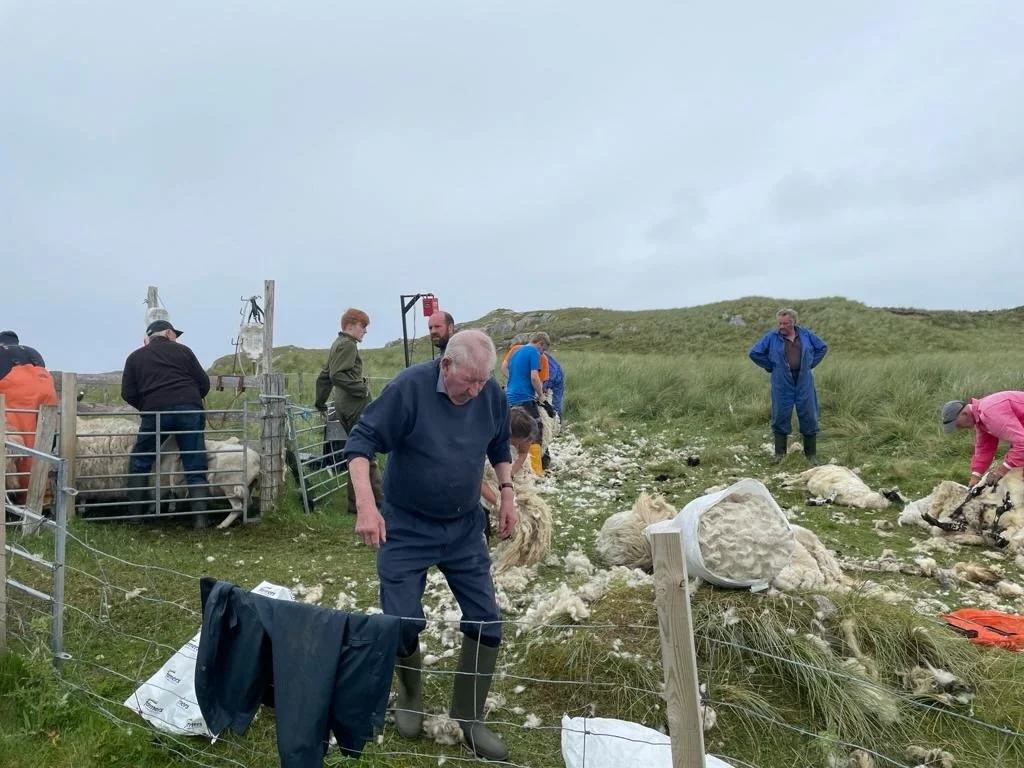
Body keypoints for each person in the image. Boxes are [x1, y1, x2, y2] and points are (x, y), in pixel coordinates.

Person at [343, 330, 517, 762]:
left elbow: (498, 443)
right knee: (402, 619)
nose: (476, 391)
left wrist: (508, 492)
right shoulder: (409, 389)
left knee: (486, 620)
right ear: (446, 366)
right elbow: (361, 443)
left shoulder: (489, 393)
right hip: (406, 526)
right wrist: (367, 506)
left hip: (463, 528)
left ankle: (470, 717)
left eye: (484, 381)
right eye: (468, 381)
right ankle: (410, 695)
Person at [121, 320, 211, 520]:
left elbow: (127, 392)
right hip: (188, 410)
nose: (176, 338)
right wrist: (193, 399)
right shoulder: (184, 352)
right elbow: (204, 383)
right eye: (174, 335)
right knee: (194, 461)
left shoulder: (135, 357)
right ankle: (201, 520)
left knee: (141, 459)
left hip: (155, 412)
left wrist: (147, 406)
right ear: (168, 333)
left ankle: (136, 516)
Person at [749, 308, 828, 464]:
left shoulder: (806, 335)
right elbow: (754, 353)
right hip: (782, 381)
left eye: (785, 323)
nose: (782, 326)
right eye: (780, 323)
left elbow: (822, 348)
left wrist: (810, 363)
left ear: (794, 322)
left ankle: (811, 455)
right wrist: (771, 366)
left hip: (804, 380)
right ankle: (779, 455)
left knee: (809, 415)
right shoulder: (771, 337)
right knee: (780, 415)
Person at [323, 308, 383, 511]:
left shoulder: (337, 344)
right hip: (353, 405)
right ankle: (379, 502)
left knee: (356, 452)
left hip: (342, 404)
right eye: (363, 326)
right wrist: (361, 389)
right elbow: (336, 375)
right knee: (366, 451)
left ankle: (355, 503)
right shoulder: (348, 345)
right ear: (351, 325)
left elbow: (325, 374)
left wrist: (319, 401)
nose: (364, 331)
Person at [0, 330, 58, 492]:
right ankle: (43, 492)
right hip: (47, 389)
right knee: (44, 441)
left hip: (18, 394)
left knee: (24, 444)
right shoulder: (32, 352)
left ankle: (26, 498)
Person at [941, 392, 1024, 488]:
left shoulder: (990, 412)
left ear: (964, 413)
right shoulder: (981, 416)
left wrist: (1003, 470)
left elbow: (1022, 443)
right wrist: (975, 475)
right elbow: (985, 447)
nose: (959, 428)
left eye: (957, 424)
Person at [503, 332, 550, 474]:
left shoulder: (517, 351)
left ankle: (512, 468)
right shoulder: (534, 352)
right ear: (541, 343)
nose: (542, 353)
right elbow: (534, 377)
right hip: (524, 397)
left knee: (514, 431)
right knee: (535, 430)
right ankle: (536, 470)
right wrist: (541, 395)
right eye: (544, 350)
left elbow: (505, 368)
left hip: (510, 397)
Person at [542, 351, 565, 420]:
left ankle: (558, 426)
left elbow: (553, 371)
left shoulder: (542, 355)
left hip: (556, 380)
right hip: (545, 381)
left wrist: (545, 386)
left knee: (556, 404)